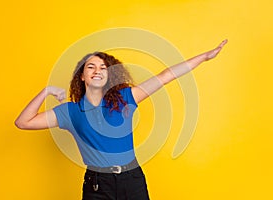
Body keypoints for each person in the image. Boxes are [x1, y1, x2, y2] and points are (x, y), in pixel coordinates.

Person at [15, 39, 228, 200]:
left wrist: (204, 57)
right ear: (82, 76)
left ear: (109, 76)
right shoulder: (69, 112)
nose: (97, 71)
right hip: (97, 185)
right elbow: (23, 122)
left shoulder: (126, 99)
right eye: (91, 67)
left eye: (103, 68)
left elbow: (165, 76)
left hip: (131, 180)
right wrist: (46, 91)